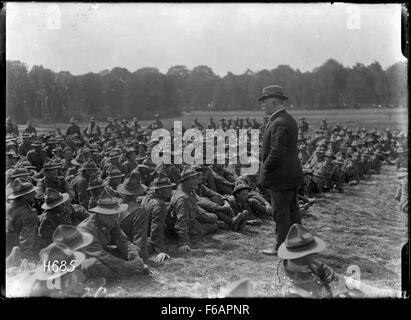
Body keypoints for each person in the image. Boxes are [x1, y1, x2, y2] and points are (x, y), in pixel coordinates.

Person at [277, 224, 401, 298]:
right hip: (322, 292)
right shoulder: (291, 288)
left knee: (359, 287)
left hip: (332, 287)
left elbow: (328, 273)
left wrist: (339, 288)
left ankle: (395, 294)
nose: (314, 255)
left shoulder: (310, 263)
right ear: (303, 255)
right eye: (311, 252)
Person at [258, 85, 303, 256]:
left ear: (274, 102)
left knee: (281, 213)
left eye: (265, 103)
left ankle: (281, 247)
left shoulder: (279, 122)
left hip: (280, 176)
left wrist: (266, 169)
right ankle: (296, 243)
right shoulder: (286, 119)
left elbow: (276, 152)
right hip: (290, 174)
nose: (262, 106)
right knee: (292, 211)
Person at [77, 189, 149, 280]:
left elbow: (123, 241)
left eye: (115, 214)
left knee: (136, 249)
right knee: (94, 264)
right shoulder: (86, 229)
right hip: (80, 261)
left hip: (101, 254)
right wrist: (127, 265)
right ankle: (116, 279)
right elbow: (101, 255)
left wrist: (134, 256)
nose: (114, 217)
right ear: (100, 213)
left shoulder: (110, 221)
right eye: (110, 214)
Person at [166, 167, 218, 254]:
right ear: (185, 182)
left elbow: (195, 211)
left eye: (196, 178)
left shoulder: (189, 192)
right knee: (214, 226)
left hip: (193, 223)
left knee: (214, 221)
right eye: (193, 179)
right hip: (190, 229)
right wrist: (184, 243)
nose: (196, 181)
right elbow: (180, 224)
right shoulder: (183, 198)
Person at [116, 170, 149, 261]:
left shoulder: (115, 204)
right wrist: (143, 262)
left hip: (115, 251)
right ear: (138, 192)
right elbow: (140, 241)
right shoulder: (140, 211)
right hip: (129, 254)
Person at [144, 174, 176, 263]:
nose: (170, 190)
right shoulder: (160, 205)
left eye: (170, 188)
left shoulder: (152, 200)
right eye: (167, 188)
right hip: (150, 238)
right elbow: (156, 229)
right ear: (159, 191)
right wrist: (160, 251)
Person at [6, 178, 40, 260]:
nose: (35, 193)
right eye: (32, 192)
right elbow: (26, 240)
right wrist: (28, 259)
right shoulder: (29, 214)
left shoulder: (8, 207)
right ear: (25, 196)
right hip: (15, 251)